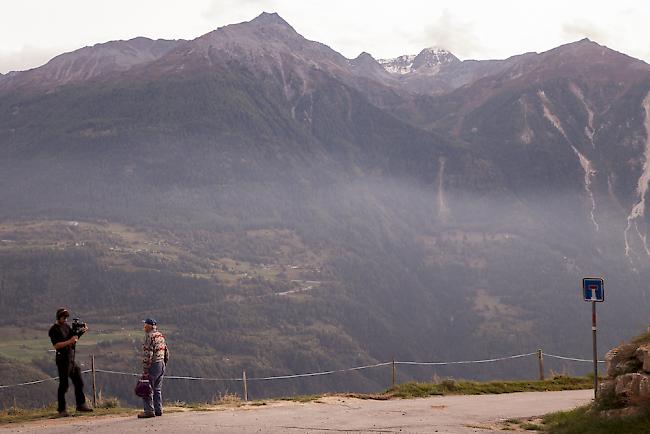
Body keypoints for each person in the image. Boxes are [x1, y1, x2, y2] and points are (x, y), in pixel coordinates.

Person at [48, 308, 93, 416]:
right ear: (59, 317)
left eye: (66, 317)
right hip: (63, 360)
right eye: (64, 317)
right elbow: (56, 345)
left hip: (71, 359)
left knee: (79, 381)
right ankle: (62, 409)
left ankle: (81, 405)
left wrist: (81, 332)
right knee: (64, 385)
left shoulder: (66, 327)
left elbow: (74, 338)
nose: (66, 319)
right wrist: (70, 341)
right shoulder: (54, 330)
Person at [139, 318, 168, 418]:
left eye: (145, 324)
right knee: (157, 389)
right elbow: (166, 351)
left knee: (147, 388)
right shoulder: (160, 336)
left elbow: (148, 354)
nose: (144, 326)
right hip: (161, 363)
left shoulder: (149, 337)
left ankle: (149, 411)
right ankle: (158, 410)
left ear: (149, 326)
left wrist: (146, 369)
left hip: (153, 365)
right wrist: (164, 363)